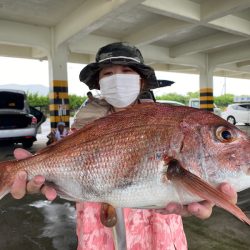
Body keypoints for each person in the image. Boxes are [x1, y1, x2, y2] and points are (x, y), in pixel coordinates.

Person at [11, 42, 237, 250]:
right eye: (108, 74)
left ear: (141, 81)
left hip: (158, 234)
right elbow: (64, 165)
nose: (117, 78)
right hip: (97, 234)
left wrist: (205, 195)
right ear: (99, 83)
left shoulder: (168, 121)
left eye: (127, 71)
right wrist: (38, 171)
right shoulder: (80, 130)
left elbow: (191, 176)